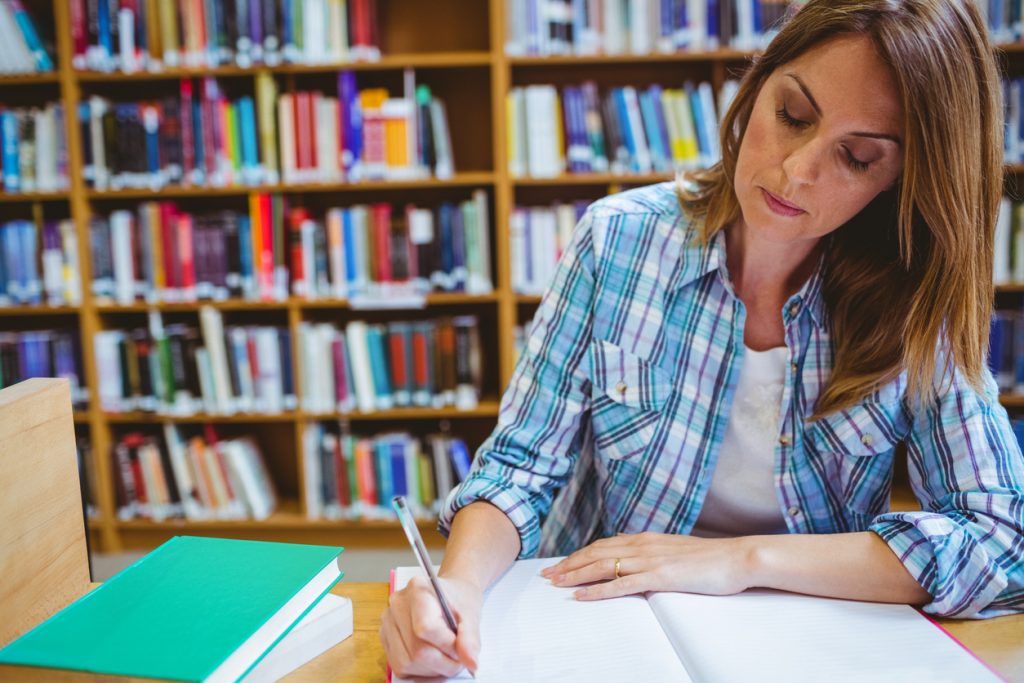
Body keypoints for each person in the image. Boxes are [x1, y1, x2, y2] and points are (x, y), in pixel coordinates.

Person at [381, 0, 1024, 677]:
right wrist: (459, 587)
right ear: (757, 84)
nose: (797, 171)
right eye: (792, 116)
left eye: (858, 157)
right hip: (605, 629)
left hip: (807, 646)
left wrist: (738, 559)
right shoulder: (618, 240)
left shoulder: (917, 295)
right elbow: (519, 470)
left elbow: (1002, 538)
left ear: (905, 175)